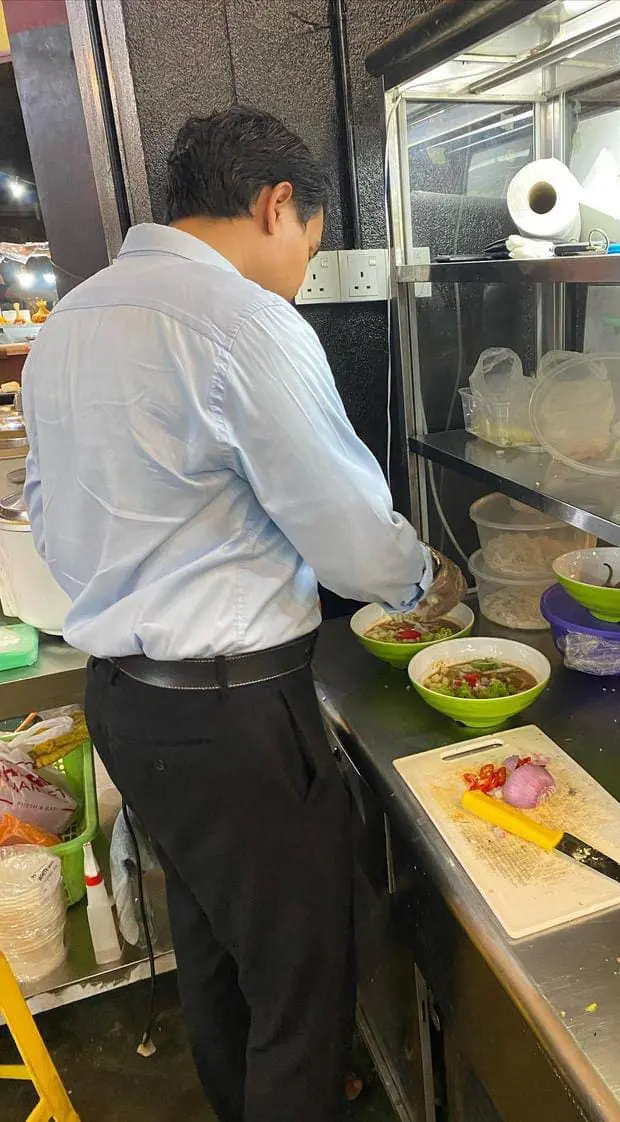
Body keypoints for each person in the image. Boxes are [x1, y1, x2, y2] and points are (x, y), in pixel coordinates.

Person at [22, 106, 465, 1122]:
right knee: (303, 986)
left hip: (127, 706)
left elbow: (50, 524)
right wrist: (425, 585)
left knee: (215, 945)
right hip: (235, 722)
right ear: (276, 206)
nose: (303, 273)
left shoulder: (69, 327)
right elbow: (352, 534)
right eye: (309, 246)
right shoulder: (242, 322)